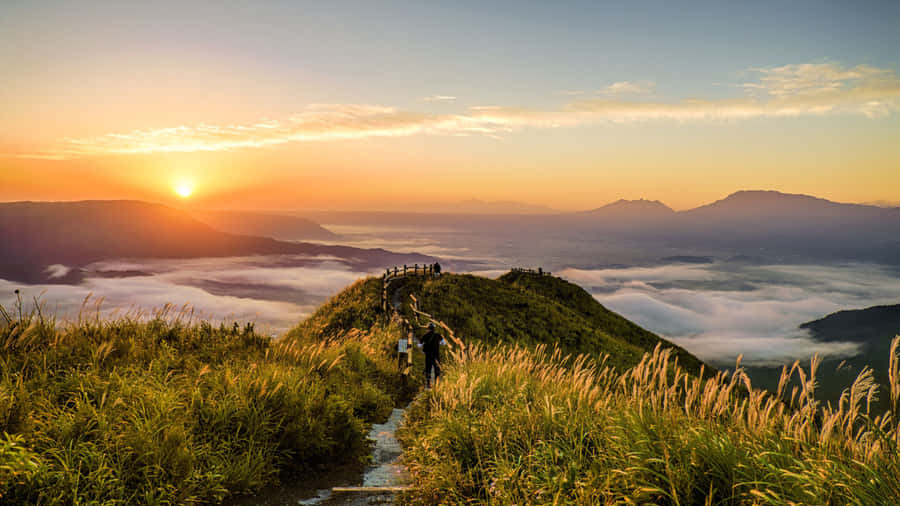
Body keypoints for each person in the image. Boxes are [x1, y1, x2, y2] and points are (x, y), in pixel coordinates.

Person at [419, 322, 443, 387]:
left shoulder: (425, 335)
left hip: (428, 355)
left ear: (428, 328)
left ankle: (428, 383)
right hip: (436, 354)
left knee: (428, 369)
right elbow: (443, 343)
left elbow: (419, 344)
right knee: (437, 369)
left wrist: (424, 345)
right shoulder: (438, 335)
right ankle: (437, 384)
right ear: (434, 329)